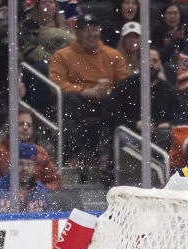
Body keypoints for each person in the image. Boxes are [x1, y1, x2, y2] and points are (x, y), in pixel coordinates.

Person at [48, 13, 128, 168]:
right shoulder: (62, 55)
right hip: (79, 102)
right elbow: (56, 85)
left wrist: (109, 92)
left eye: (95, 29)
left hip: (105, 102)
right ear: (77, 32)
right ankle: (74, 154)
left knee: (122, 103)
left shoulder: (114, 55)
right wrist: (84, 91)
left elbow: (123, 85)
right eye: (87, 30)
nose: (91, 34)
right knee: (69, 100)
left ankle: (114, 159)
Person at [0, 110, 63, 190]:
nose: (25, 128)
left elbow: (56, 182)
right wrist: (19, 193)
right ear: (11, 126)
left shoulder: (41, 153)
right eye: (21, 124)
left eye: (29, 125)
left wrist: (37, 193)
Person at [0, 143, 51, 213]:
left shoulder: (41, 190)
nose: (25, 168)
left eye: (29, 164)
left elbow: (49, 218)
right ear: (12, 165)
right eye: (20, 163)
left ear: (34, 167)